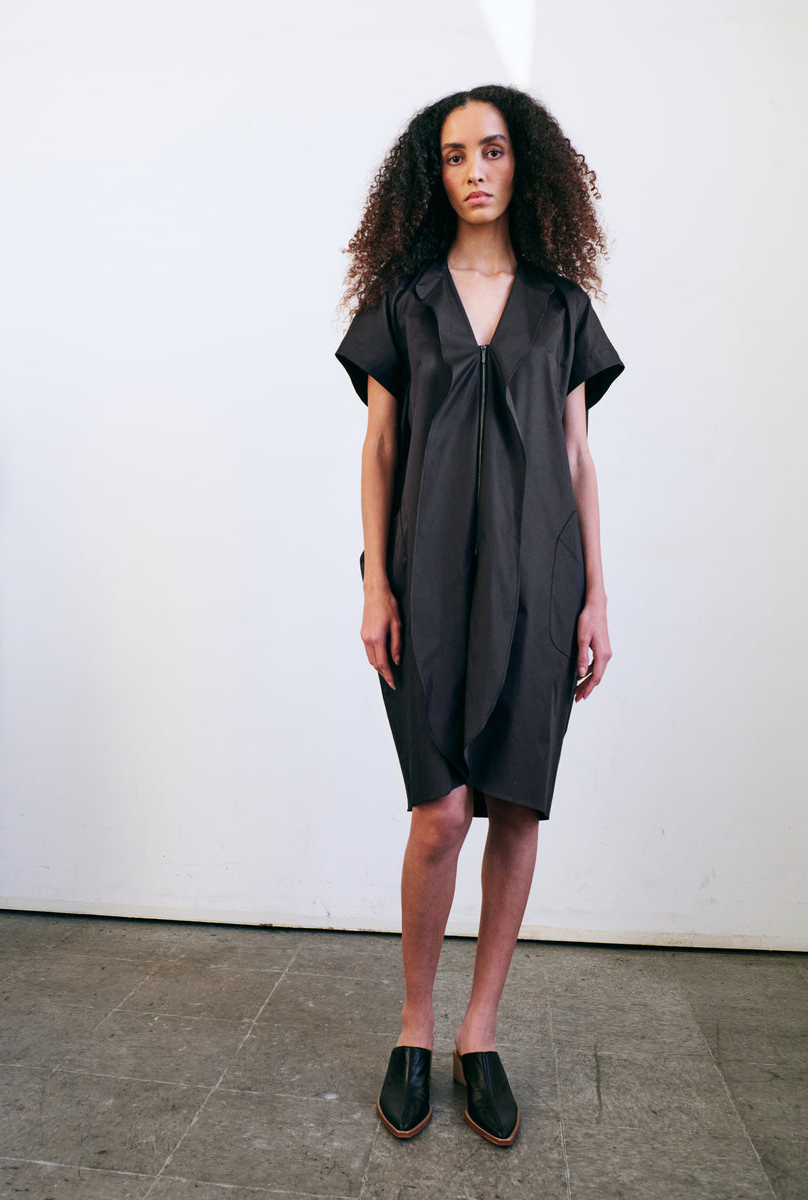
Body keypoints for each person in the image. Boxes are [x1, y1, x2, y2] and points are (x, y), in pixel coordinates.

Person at [335, 84, 624, 1147]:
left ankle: (478, 1033)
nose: (475, 170)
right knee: (442, 814)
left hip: (540, 587)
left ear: (522, 165)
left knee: (515, 809)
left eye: (492, 150)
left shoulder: (561, 308)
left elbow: (578, 458)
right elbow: (377, 449)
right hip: (425, 586)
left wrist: (595, 592)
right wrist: (374, 582)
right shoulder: (407, 301)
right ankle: (414, 1026)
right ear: (434, 173)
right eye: (455, 154)